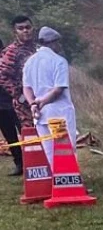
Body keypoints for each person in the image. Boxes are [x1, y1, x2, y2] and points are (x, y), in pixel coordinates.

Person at [23, 27, 76, 166]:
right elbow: (58, 89)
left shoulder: (29, 62)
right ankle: (71, 185)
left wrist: (33, 104)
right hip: (59, 113)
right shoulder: (59, 61)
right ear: (52, 42)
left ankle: (57, 184)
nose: (59, 46)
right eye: (58, 43)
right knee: (66, 152)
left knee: (50, 153)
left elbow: (26, 88)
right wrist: (43, 101)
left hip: (40, 115)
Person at [0, 15, 38, 129]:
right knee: (31, 139)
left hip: (42, 99)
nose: (25, 30)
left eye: (28, 27)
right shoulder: (11, 52)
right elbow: (2, 76)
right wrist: (19, 95)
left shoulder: (37, 49)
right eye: (21, 28)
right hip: (24, 106)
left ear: (32, 28)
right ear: (15, 32)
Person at [0, 38, 22, 176]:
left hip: (15, 104)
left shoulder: (8, 61)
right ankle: (19, 163)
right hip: (0, 108)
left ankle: (35, 161)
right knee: (10, 137)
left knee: (26, 133)